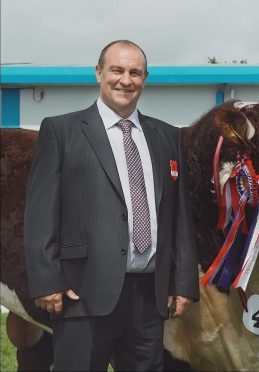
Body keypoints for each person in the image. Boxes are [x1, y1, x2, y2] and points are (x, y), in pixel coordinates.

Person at [24, 40, 199, 371]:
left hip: (150, 297)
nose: (125, 80)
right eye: (116, 70)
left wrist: (184, 283)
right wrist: (48, 281)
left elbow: (179, 219)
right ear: (98, 72)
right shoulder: (61, 131)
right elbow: (40, 215)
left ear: (145, 78)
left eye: (135, 72)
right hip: (82, 292)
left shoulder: (167, 137)